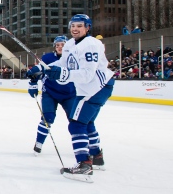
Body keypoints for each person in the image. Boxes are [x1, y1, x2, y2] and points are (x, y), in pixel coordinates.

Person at [27, 14, 115, 182]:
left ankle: (84, 164)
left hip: (97, 87)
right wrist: (39, 69)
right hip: (89, 89)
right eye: (73, 25)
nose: (75, 28)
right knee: (87, 123)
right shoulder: (70, 45)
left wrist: (62, 74)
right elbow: (62, 64)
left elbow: (87, 75)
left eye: (80, 26)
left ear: (88, 27)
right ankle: (97, 157)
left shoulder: (91, 45)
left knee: (76, 124)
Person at [26, 36, 75, 155]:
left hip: (69, 94)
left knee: (75, 120)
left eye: (62, 45)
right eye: (57, 45)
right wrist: (32, 83)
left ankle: (83, 147)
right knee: (47, 118)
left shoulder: (73, 57)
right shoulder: (47, 58)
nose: (60, 47)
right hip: (50, 92)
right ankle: (39, 143)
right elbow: (37, 72)